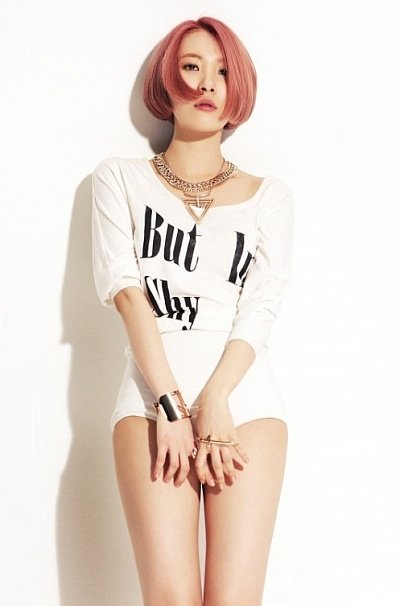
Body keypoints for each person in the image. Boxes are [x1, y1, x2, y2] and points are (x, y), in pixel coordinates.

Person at [91, 15, 294, 606]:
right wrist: (173, 407)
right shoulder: (119, 179)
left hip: (243, 402)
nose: (207, 83)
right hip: (152, 403)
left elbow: (261, 305)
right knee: (171, 599)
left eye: (223, 72)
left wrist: (217, 400)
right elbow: (127, 293)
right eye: (192, 66)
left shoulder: (269, 195)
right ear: (168, 80)